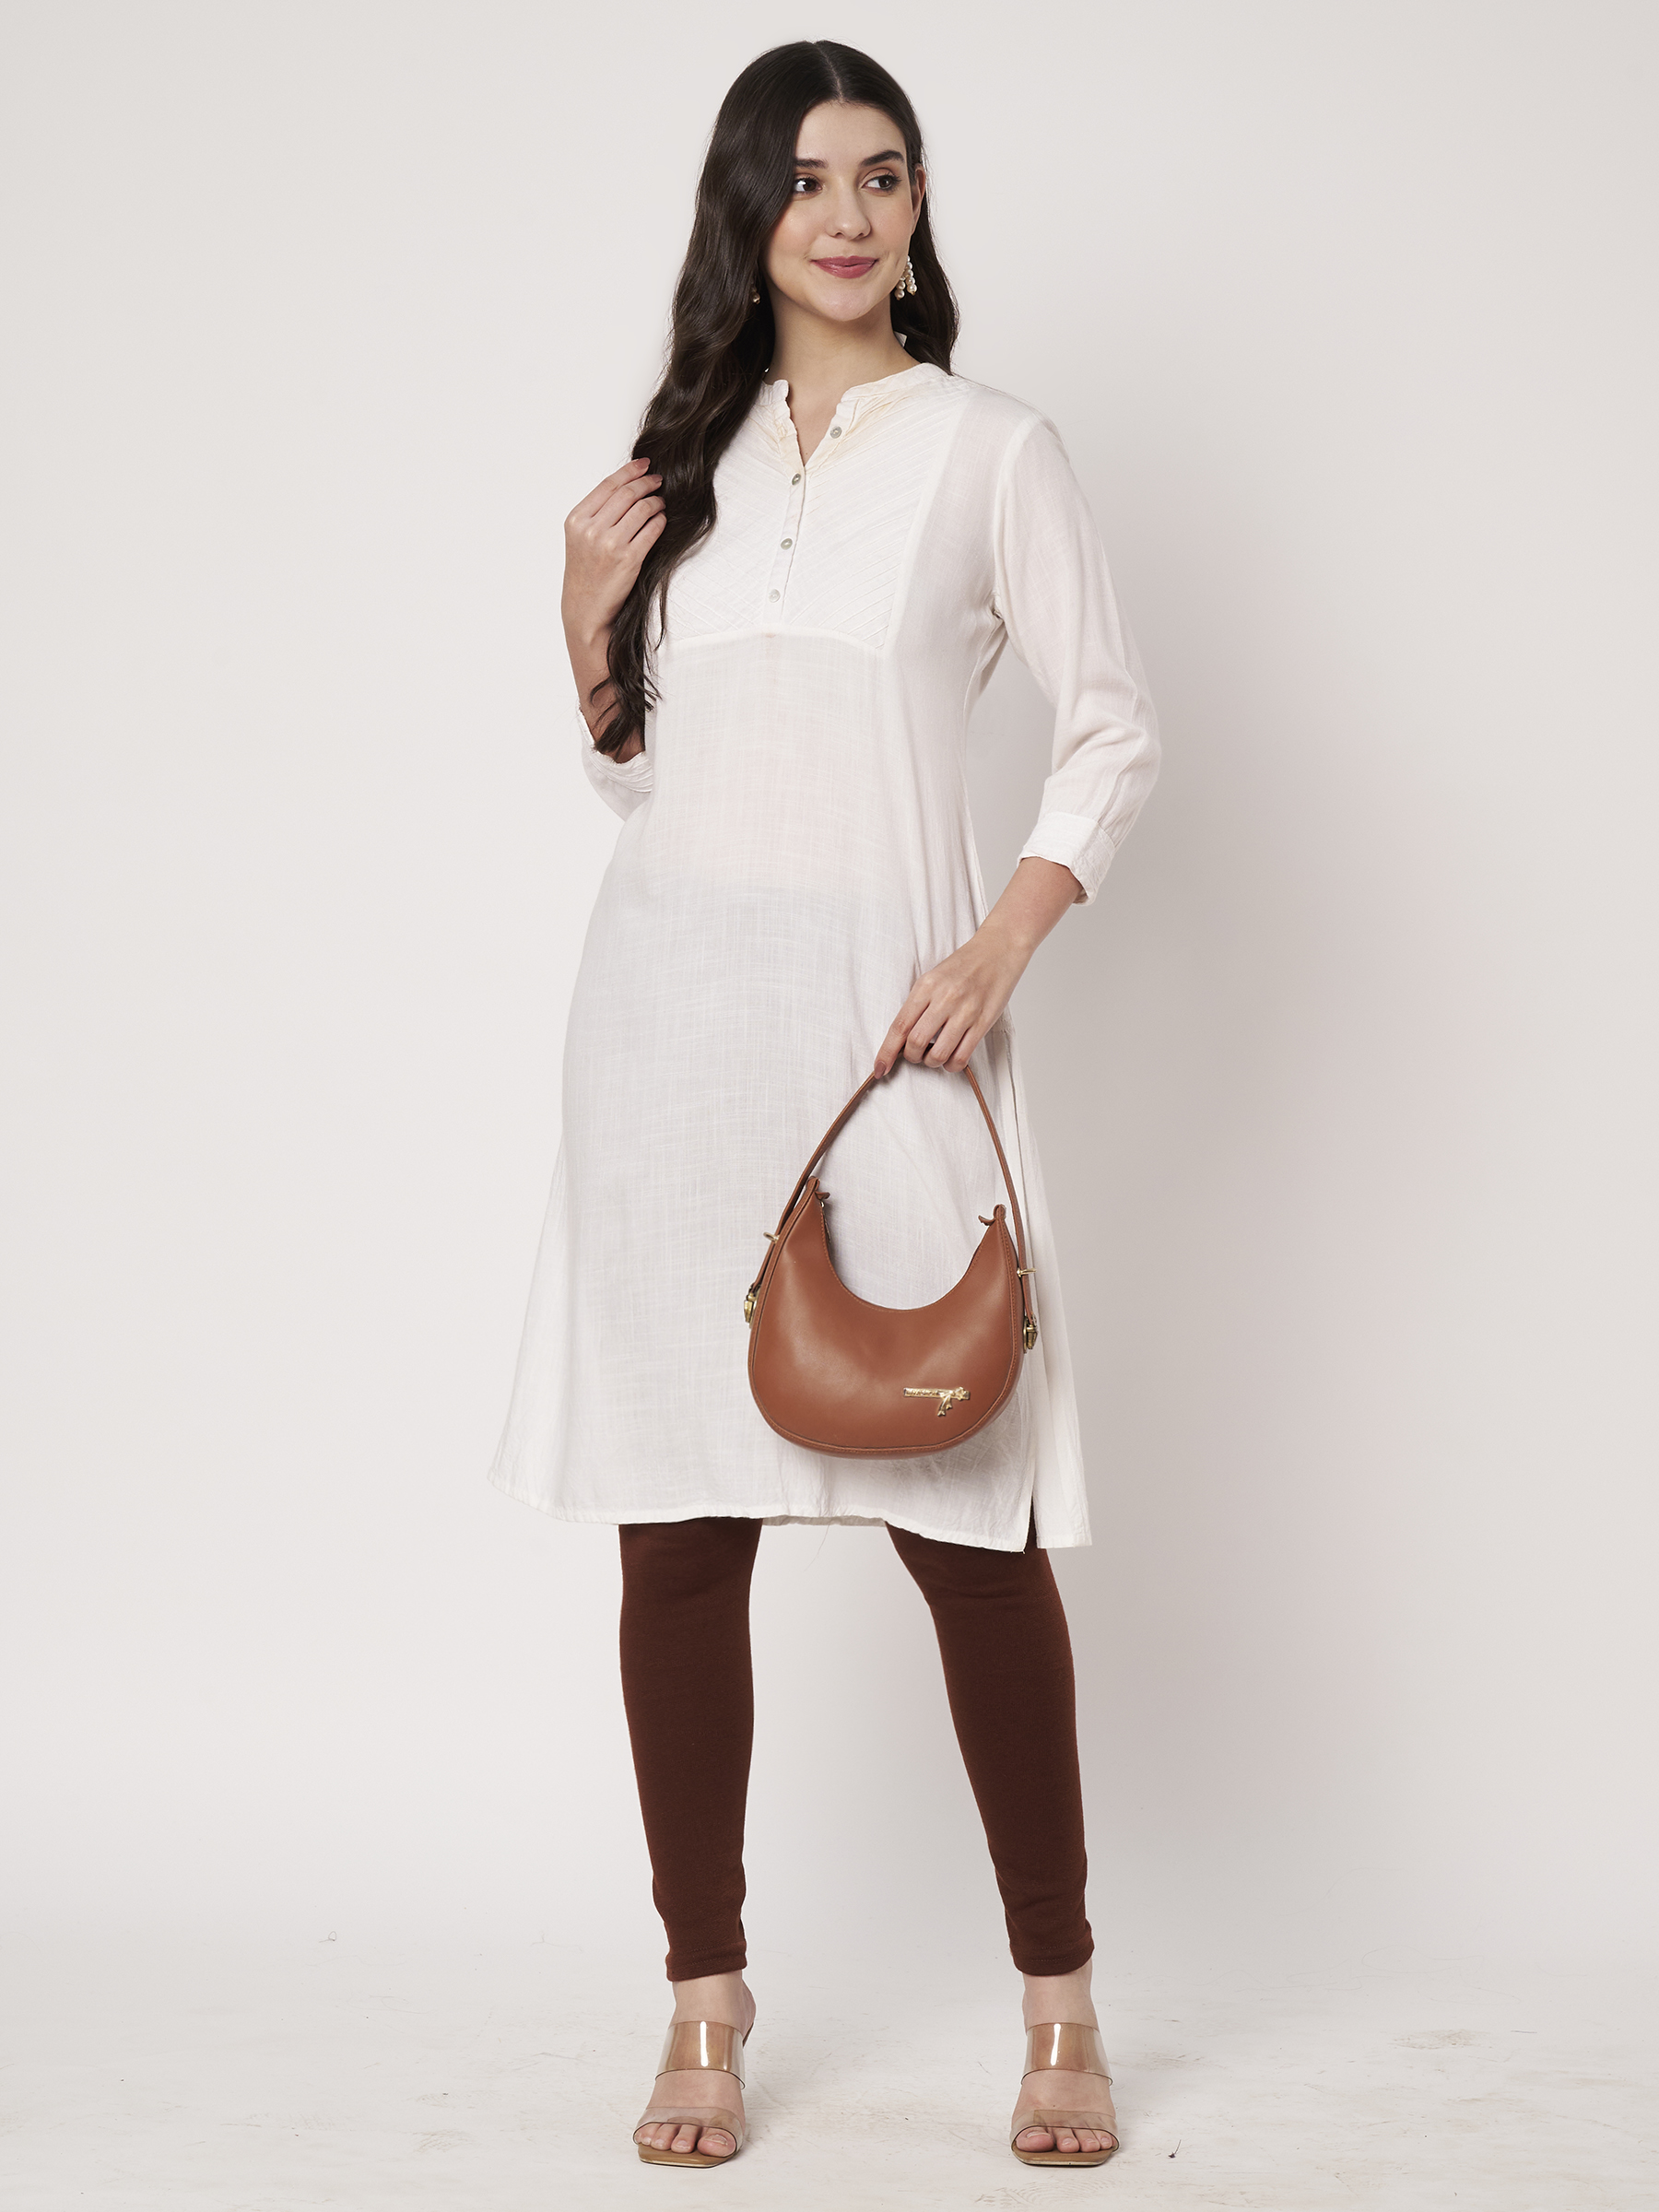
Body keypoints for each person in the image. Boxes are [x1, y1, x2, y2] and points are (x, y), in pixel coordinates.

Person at [489, 38, 1159, 2171]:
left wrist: (1002, 943)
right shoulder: (677, 470)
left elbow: (1115, 728)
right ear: (748, 214)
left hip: (894, 1050)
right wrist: (586, 624)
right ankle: (704, 1996)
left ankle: (1059, 2001)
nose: (848, 213)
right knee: (677, 1540)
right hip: (668, 1041)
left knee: (974, 1527)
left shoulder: (989, 450)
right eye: (805, 180)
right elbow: (649, 778)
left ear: (920, 202)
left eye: (882, 173)